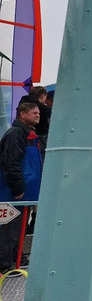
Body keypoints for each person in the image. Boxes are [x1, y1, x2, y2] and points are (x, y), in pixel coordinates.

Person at [0, 101, 43, 273]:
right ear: (22, 114)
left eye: (38, 112)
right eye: (34, 112)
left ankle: (17, 257)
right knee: (8, 228)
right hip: (12, 193)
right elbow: (12, 163)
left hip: (26, 193)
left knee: (20, 228)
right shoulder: (15, 134)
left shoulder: (30, 135)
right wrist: (18, 188)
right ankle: (5, 263)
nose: (37, 114)